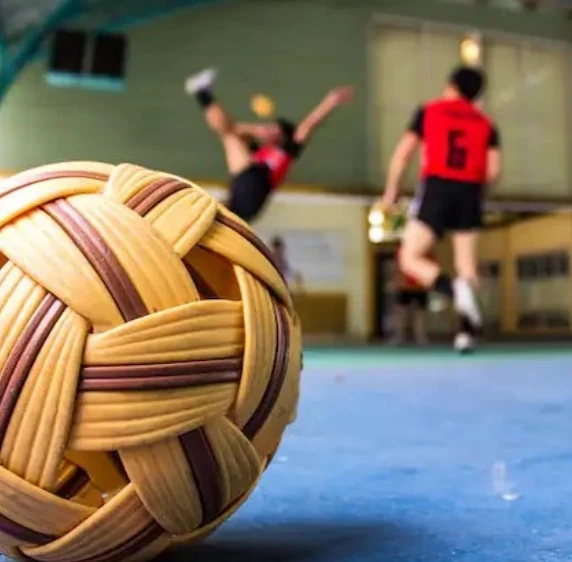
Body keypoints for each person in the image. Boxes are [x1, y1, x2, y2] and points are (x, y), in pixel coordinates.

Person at [378, 66, 502, 353]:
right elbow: (494, 170)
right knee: (467, 268)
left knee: (409, 258)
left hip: (437, 186)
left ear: (451, 85)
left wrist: (392, 189)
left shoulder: (429, 111)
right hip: (471, 190)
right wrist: (475, 191)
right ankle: (466, 334)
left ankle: (451, 290)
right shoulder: (487, 124)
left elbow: (403, 153)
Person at [185, 68, 354, 223]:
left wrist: (330, 102)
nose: (269, 131)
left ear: (283, 137)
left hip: (255, 187)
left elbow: (309, 124)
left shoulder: (287, 150)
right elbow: (232, 129)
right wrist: (256, 129)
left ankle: (202, 92)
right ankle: (202, 93)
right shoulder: (257, 151)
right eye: (269, 128)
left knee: (229, 136)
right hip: (242, 191)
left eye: (275, 131)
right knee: (230, 135)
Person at [389, 247, 432, 346]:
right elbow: (397, 267)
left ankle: (421, 337)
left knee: (420, 314)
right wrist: (396, 282)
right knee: (401, 313)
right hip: (404, 287)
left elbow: (431, 268)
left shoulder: (427, 251)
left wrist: (428, 283)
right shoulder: (402, 250)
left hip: (420, 287)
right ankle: (399, 336)